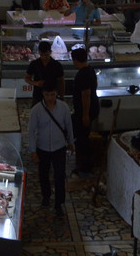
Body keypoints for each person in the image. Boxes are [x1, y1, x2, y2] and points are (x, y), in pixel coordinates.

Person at [27, 79, 73, 219]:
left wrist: (71, 143)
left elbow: (68, 126)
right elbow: (31, 132)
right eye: (47, 95)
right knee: (43, 175)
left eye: (52, 95)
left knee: (59, 176)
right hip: (43, 148)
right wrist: (33, 151)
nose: (50, 98)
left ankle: (59, 204)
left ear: (56, 94)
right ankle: (46, 196)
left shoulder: (64, 108)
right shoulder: (36, 110)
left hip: (59, 147)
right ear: (43, 94)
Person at [70, 48, 98, 178]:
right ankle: (83, 165)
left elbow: (86, 95)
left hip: (85, 112)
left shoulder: (83, 74)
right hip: (89, 110)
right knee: (82, 137)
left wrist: (85, 115)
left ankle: (85, 168)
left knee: (82, 139)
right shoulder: (90, 69)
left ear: (75, 60)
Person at [25, 40, 64, 105]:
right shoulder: (34, 64)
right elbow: (27, 78)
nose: (44, 57)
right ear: (39, 53)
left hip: (52, 95)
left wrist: (62, 96)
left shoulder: (57, 65)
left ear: (50, 52)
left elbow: (61, 81)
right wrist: (36, 83)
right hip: (38, 95)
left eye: (46, 55)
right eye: (41, 55)